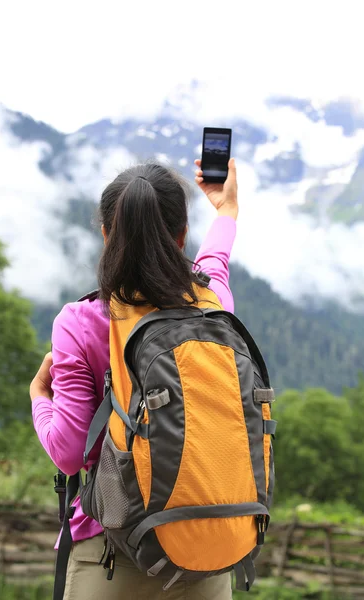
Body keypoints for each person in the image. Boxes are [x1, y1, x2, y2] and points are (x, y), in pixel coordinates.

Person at [30, 157, 239, 600]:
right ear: (182, 235)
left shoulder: (81, 322)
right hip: (206, 553)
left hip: (112, 556)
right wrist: (225, 212)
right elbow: (215, 260)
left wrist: (38, 398)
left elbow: (69, 454)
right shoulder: (212, 306)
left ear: (107, 235)